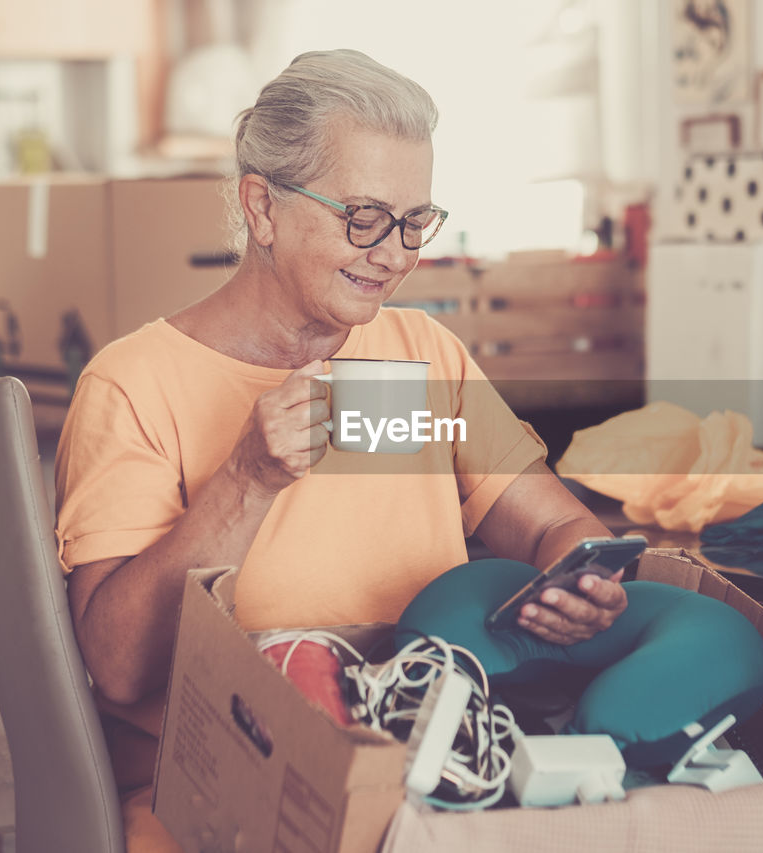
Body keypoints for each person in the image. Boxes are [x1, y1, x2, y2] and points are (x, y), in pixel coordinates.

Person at [54, 49, 627, 852]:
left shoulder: (423, 353)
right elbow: (118, 665)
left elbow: (552, 530)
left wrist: (584, 579)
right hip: (217, 783)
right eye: (362, 217)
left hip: (427, 770)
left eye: (414, 222)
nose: (391, 253)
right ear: (262, 208)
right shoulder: (132, 383)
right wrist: (246, 480)